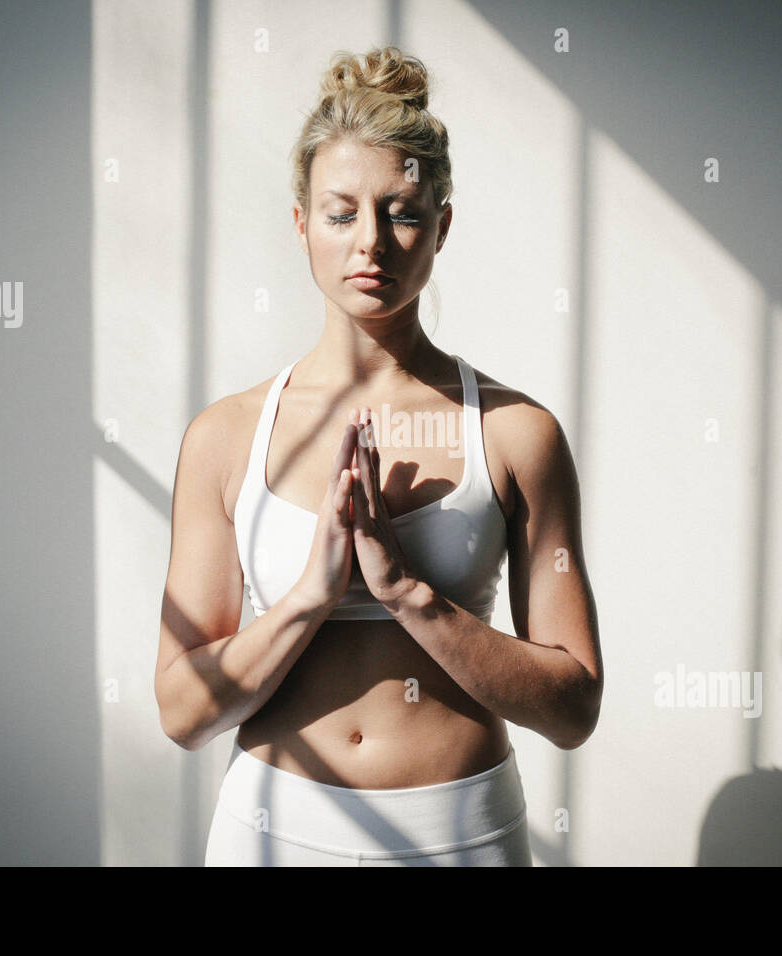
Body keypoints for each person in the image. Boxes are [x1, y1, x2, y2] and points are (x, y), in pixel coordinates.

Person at [154, 45, 602, 866]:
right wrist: (309, 597)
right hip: (271, 833)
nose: (372, 243)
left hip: (462, 834)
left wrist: (406, 592)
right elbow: (183, 713)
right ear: (301, 225)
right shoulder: (225, 436)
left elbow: (573, 709)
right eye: (340, 214)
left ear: (441, 227)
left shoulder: (515, 432)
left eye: (401, 212)